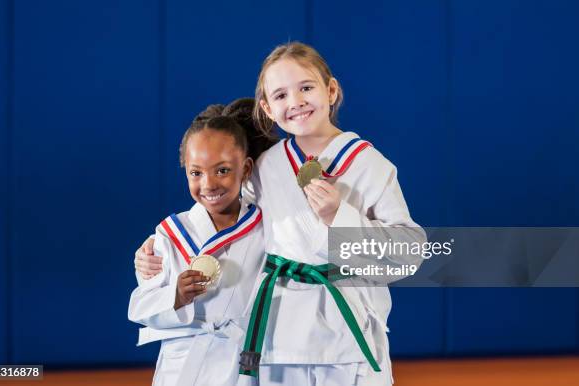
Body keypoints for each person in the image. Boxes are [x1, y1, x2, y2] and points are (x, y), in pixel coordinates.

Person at [136, 42, 426, 385]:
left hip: (349, 334)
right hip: (280, 337)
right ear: (267, 108)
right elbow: (220, 207)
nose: (296, 102)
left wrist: (340, 217)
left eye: (305, 88)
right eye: (281, 95)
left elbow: (411, 252)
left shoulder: (370, 165)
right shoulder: (265, 166)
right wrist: (159, 250)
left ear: (331, 90)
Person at [128, 98, 274, 386]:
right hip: (183, 366)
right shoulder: (170, 233)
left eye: (222, 170)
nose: (208, 184)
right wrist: (175, 296)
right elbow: (139, 307)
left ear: (245, 169)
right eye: (196, 172)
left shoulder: (267, 228)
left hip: (243, 363)